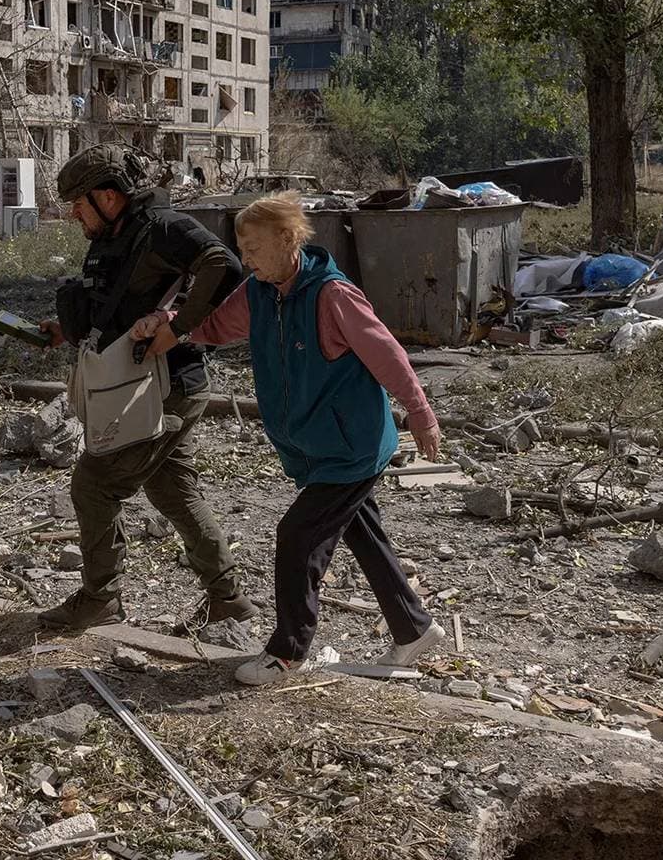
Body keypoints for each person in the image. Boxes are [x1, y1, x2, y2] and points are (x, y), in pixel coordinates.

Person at [131, 193, 445, 686]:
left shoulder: (333, 295)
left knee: (298, 537)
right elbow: (213, 327)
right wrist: (169, 323)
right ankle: (414, 628)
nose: (246, 258)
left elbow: (388, 355)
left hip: (353, 446)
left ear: (287, 239)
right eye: (241, 247)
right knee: (362, 532)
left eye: (253, 246)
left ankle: (287, 651)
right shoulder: (259, 292)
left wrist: (421, 414)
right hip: (318, 446)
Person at [33, 144, 255, 632]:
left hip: (164, 386)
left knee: (94, 485)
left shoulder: (163, 227)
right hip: (139, 383)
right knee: (173, 489)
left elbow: (224, 265)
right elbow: (115, 306)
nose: (74, 213)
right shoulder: (116, 235)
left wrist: (177, 328)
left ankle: (100, 600)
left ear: (108, 196)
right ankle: (229, 599)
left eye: (78, 202)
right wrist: (66, 330)